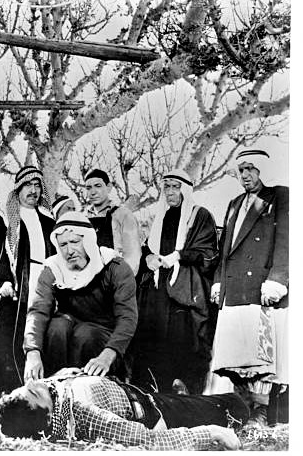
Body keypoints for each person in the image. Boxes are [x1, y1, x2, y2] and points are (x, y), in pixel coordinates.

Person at [210, 148, 288, 426]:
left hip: (261, 288)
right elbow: (225, 250)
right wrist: (219, 280)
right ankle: (240, 410)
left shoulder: (280, 196)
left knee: (260, 356)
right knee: (234, 356)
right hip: (234, 289)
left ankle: (261, 411)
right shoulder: (233, 203)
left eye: (251, 169)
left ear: (264, 170)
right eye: (242, 169)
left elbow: (288, 240)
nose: (245, 175)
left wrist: (279, 278)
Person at [0, 166, 55, 399]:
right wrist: (3, 279)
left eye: (37, 186)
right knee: (11, 339)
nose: (33, 191)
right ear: (18, 190)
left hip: (43, 283)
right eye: (28, 186)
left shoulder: (49, 220)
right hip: (15, 286)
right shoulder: (5, 218)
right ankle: (4, 394)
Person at [0, 368, 248, 450]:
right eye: (32, 392)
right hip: (159, 412)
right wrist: (212, 432)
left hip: (142, 395)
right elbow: (151, 442)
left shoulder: (50, 395)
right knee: (236, 406)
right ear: (48, 415)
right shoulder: (82, 415)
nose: (31, 382)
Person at [131, 170, 219, 395]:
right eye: (166, 187)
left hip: (185, 292)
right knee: (153, 342)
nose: (170, 192)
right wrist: (148, 257)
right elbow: (147, 248)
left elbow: (208, 253)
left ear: (185, 190)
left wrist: (179, 256)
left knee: (183, 344)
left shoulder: (201, 216)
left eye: (175, 187)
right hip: (157, 292)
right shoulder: (161, 217)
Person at [24, 212, 137, 381]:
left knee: (85, 334)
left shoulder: (116, 267)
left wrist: (106, 357)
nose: (69, 251)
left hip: (106, 343)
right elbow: (37, 312)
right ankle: (54, 387)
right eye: (63, 245)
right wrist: (32, 353)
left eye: (75, 242)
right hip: (68, 333)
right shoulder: (53, 269)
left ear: (88, 240)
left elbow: (128, 318)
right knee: (57, 327)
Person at [84, 169, 142, 275]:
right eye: (88, 188)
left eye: (98, 186)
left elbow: (133, 255)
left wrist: (122, 282)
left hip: (115, 279)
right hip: (89, 281)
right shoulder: (83, 217)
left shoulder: (123, 214)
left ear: (109, 187)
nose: (93, 192)